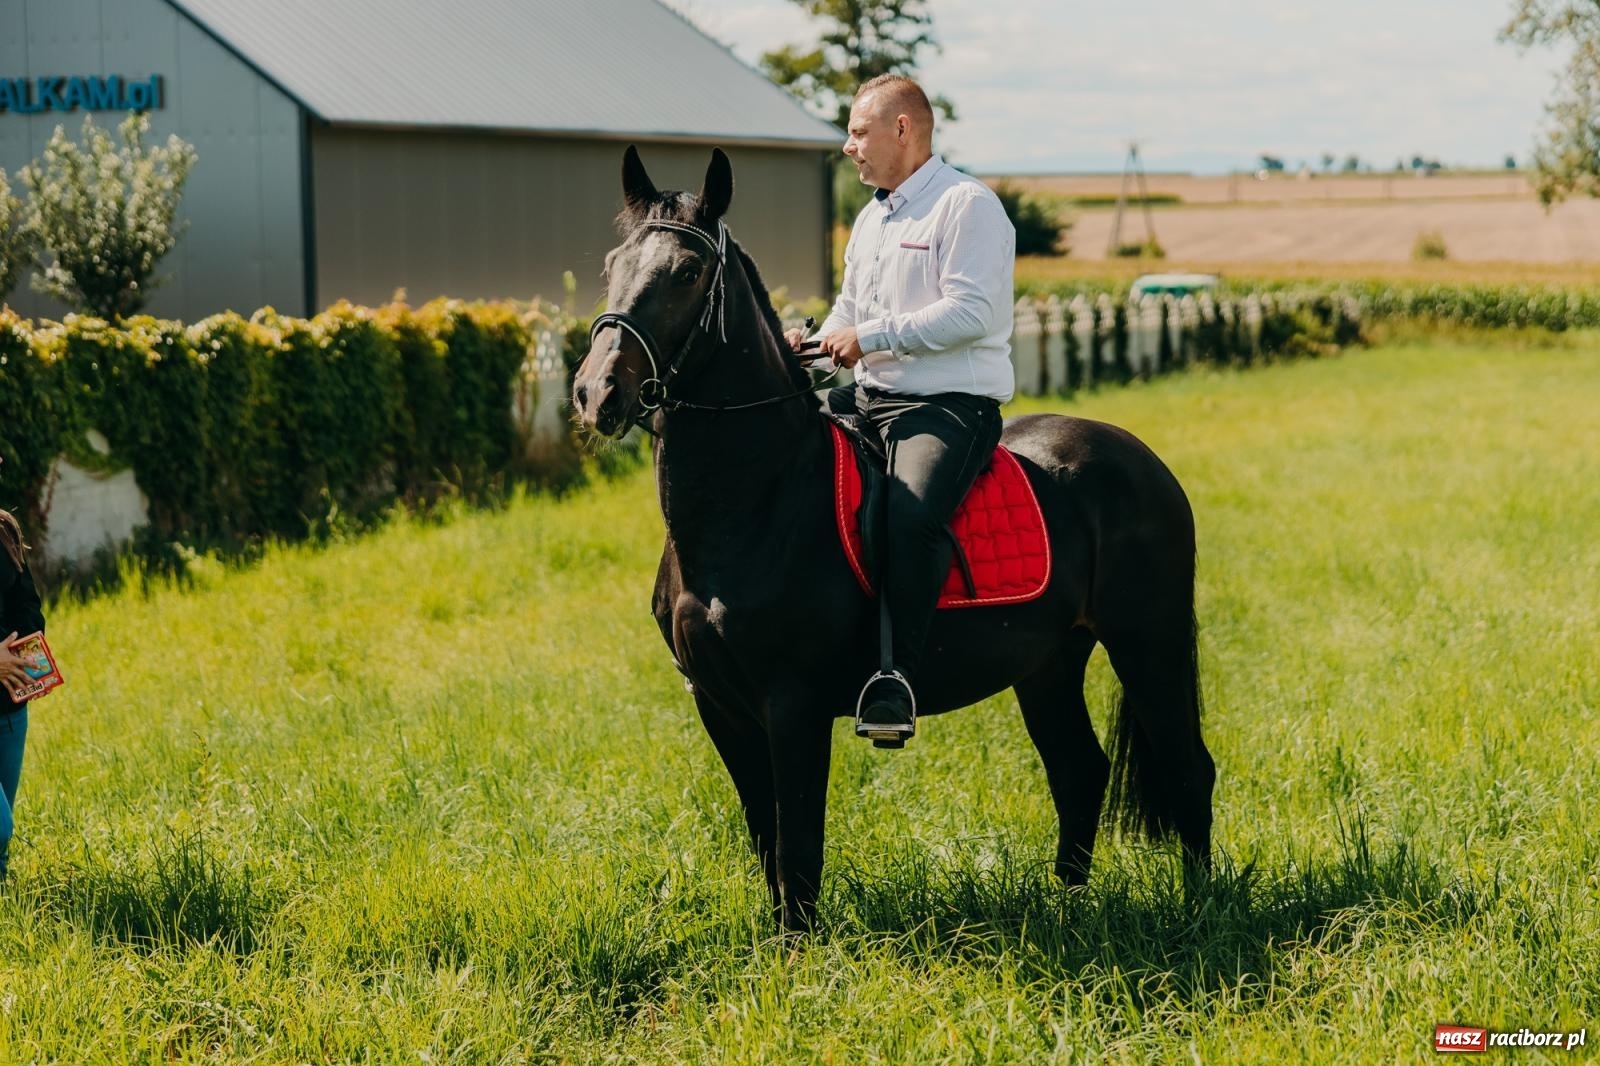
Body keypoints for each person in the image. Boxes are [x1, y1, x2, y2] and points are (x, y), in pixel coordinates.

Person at [787, 74, 1016, 747]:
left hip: (948, 404)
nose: (848, 146)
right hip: (868, 398)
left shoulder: (967, 206)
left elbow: (971, 313)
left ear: (903, 130)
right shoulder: (872, 217)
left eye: (858, 132)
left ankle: (896, 677)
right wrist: (808, 347)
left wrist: (873, 338)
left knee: (908, 514)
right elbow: (851, 317)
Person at [0, 464, 45, 882]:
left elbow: (26, 602)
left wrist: (31, 655)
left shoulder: (4, 529)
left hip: (9, 708)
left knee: (0, 842)